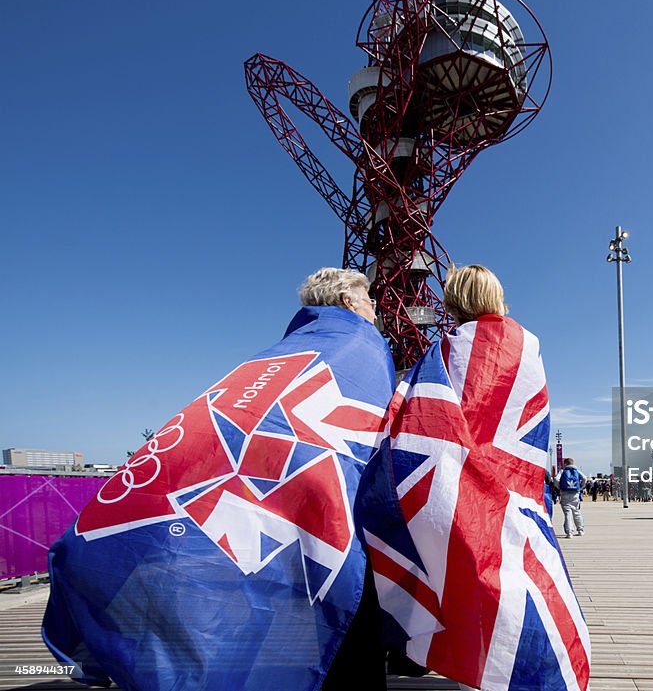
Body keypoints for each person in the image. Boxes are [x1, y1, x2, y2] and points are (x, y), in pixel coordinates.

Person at [45, 268, 395, 691]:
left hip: (279, 500)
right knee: (340, 606)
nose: (375, 310)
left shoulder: (276, 356)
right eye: (369, 301)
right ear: (347, 304)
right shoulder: (360, 347)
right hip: (320, 503)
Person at [358, 264, 591, 691]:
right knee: (512, 580)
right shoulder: (528, 348)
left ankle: (446, 655)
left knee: (455, 571)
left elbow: (417, 413)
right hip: (515, 487)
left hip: (454, 484)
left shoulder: (447, 351)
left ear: (451, 301)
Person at [559, 457, 587, 538]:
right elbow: (584, 478)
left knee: (568, 513)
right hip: (575, 494)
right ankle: (580, 530)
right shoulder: (577, 471)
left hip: (565, 494)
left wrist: (560, 488)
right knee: (576, 512)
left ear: (565, 464)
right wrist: (581, 487)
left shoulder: (562, 471)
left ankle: (569, 532)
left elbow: (556, 480)